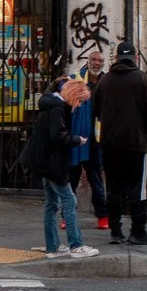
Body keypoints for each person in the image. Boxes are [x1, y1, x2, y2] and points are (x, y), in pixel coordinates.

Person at [92, 42, 147, 245]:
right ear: (135, 59)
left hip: (110, 144)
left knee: (113, 188)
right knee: (137, 189)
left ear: (116, 59)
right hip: (136, 143)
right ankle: (138, 231)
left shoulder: (105, 81)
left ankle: (115, 230)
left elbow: (96, 110)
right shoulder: (141, 78)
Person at [27, 79, 96, 258]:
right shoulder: (58, 109)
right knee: (69, 201)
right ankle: (76, 245)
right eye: (80, 101)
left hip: (44, 162)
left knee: (51, 204)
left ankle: (53, 247)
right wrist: (76, 140)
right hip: (53, 164)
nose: (79, 105)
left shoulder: (50, 105)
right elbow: (57, 136)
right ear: (73, 96)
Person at [62, 70, 106, 225]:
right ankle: (67, 216)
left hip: (92, 142)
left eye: (99, 61)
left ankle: (102, 215)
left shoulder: (104, 83)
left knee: (95, 181)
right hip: (76, 141)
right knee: (72, 181)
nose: (96, 63)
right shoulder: (74, 82)